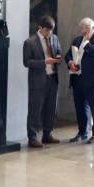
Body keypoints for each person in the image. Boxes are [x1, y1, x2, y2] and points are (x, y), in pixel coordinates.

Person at [66, 17, 94, 144]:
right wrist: (70, 62)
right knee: (80, 107)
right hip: (77, 78)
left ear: (93, 28)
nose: (83, 31)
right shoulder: (77, 39)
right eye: (82, 28)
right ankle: (82, 132)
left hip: (93, 79)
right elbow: (68, 55)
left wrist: (87, 43)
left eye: (86, 28)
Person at [22, 15, 62, 148]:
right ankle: (32, 137)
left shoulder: (54, 38)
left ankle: (48, 134)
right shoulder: (30, 42)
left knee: (51, 108)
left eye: (51, 31)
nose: (49, 33)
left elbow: (59, 51)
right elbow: (27, 62)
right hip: (38, 81)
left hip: (53, 78)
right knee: (35, 109)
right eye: (46, 31)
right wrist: (44, 62)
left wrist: (58, 57)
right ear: (40, 28)